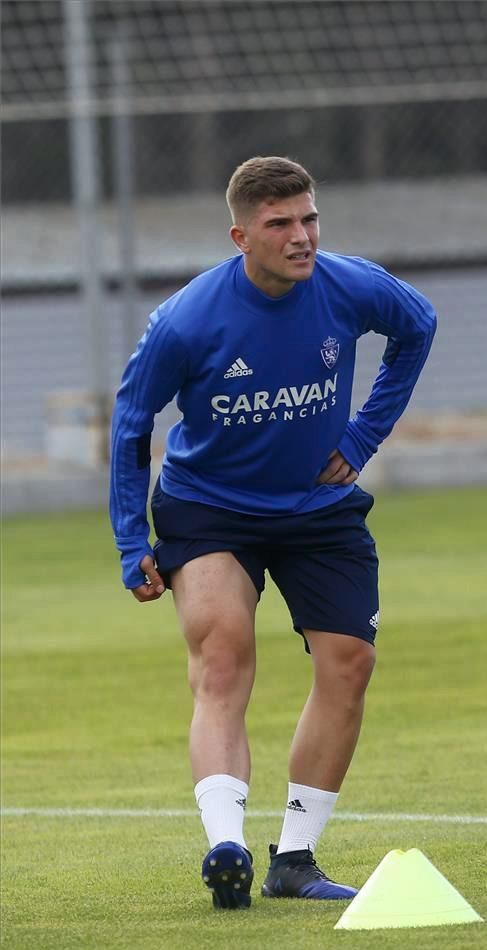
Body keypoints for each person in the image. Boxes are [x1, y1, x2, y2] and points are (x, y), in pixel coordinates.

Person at [110, 156, 436, 910]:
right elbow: (131, 428)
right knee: (224, 653)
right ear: (241, 236)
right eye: (280, 224)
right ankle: (226, 844)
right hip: (210, 508)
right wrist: (133, 542)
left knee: (349, 663)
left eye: (310, 219)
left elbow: (418, 325)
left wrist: (361, 441)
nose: (302, 237)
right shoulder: (186, 321)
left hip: (317, 509)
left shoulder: (350, 285)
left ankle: (293, 859)